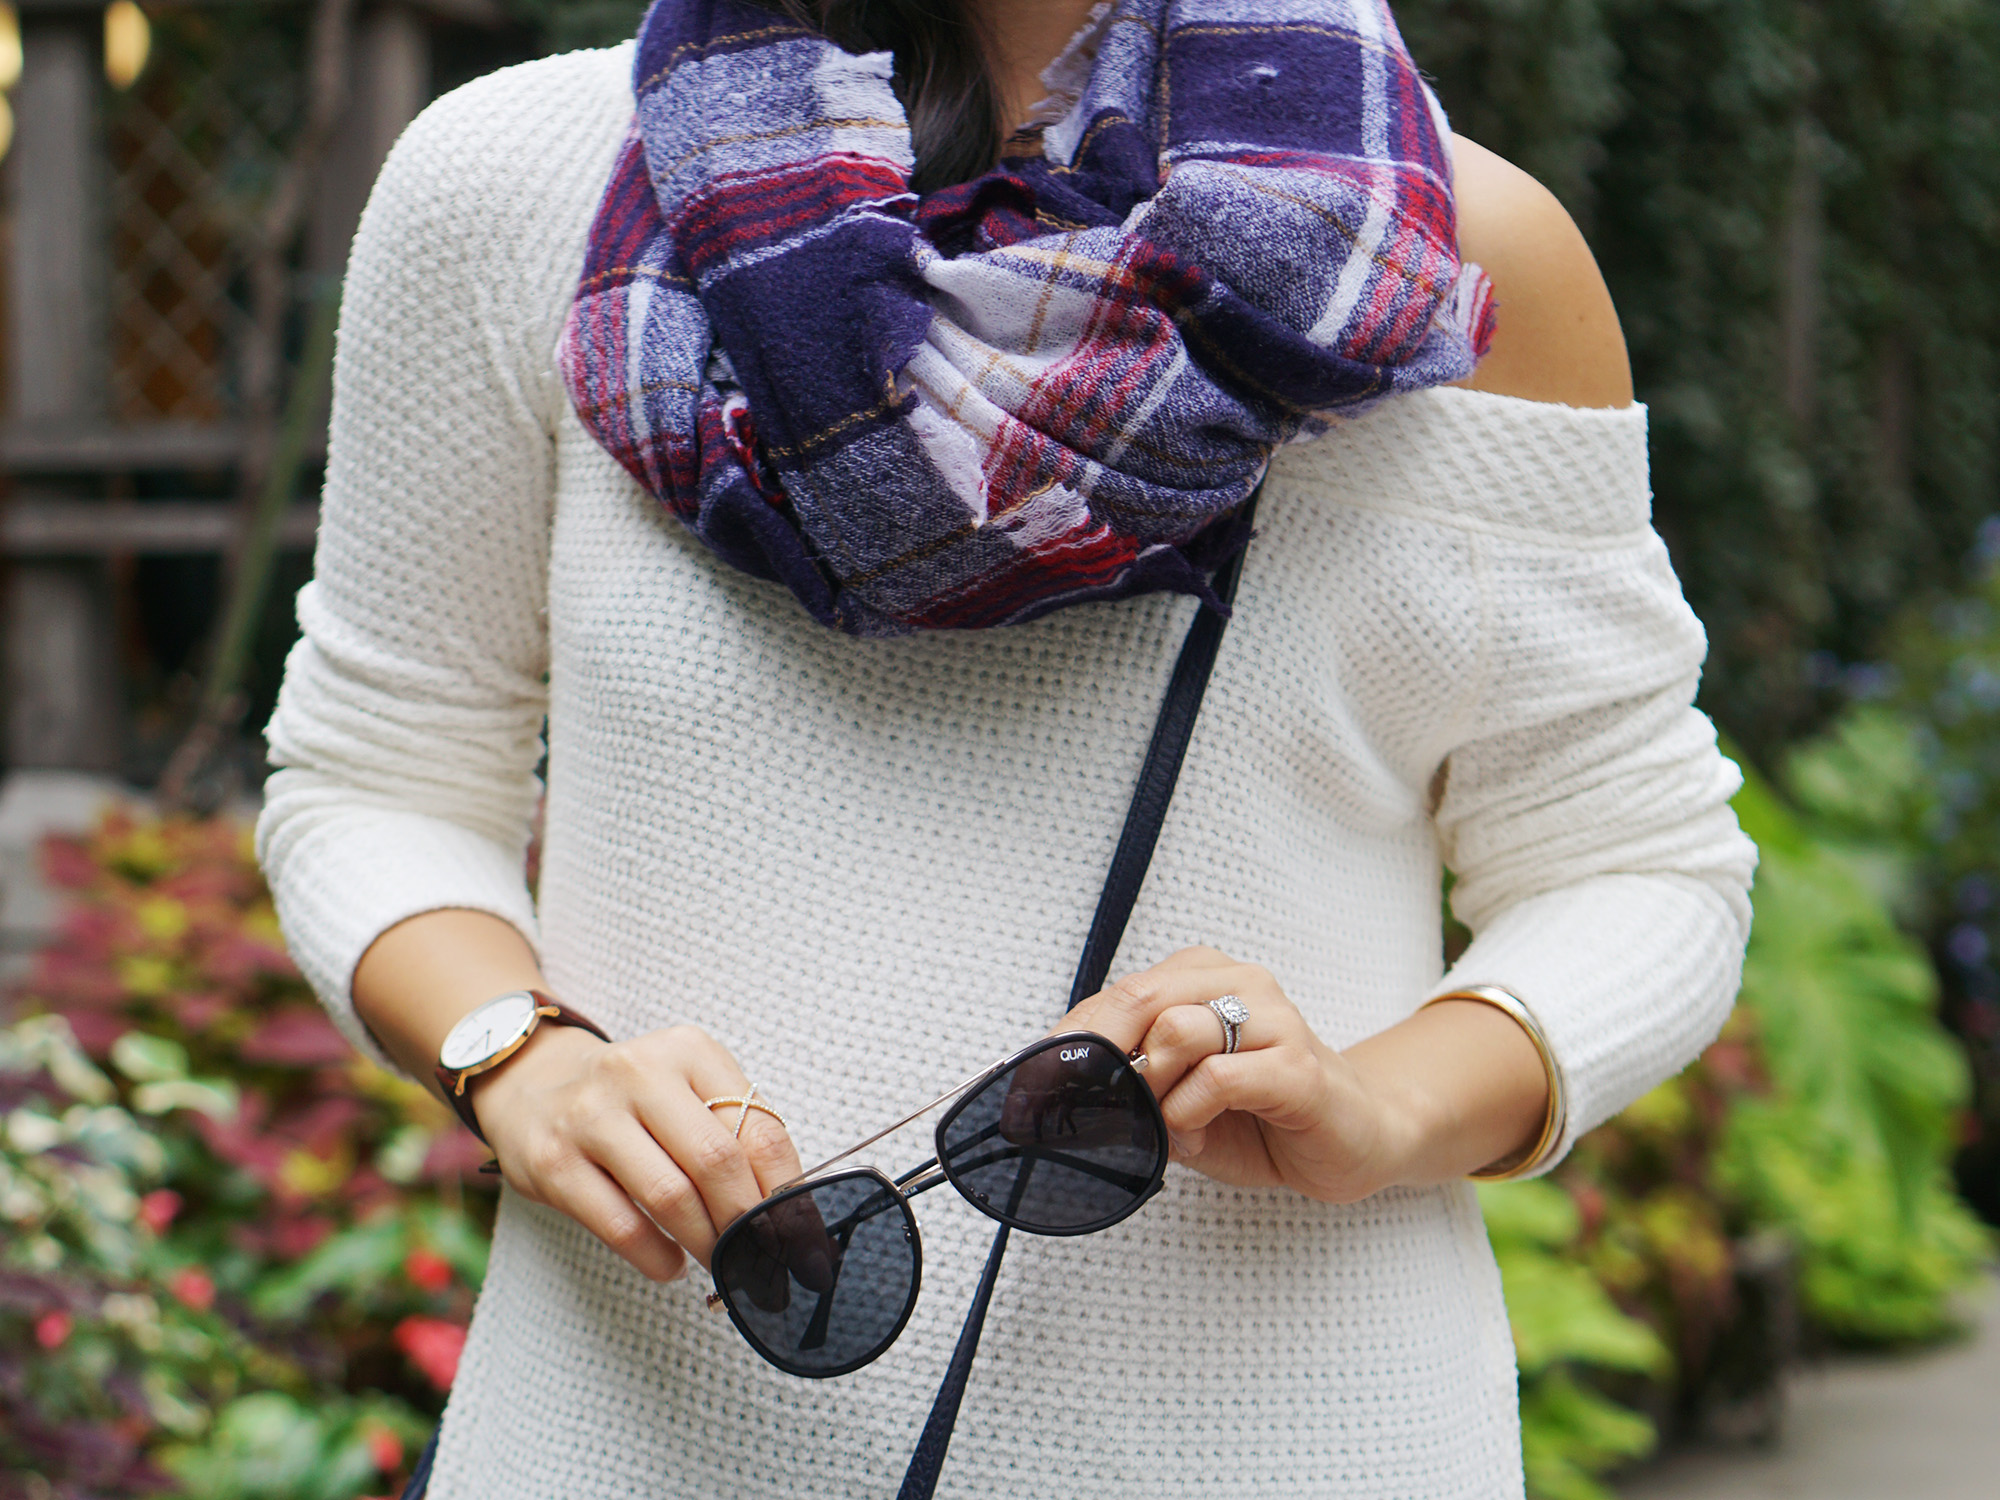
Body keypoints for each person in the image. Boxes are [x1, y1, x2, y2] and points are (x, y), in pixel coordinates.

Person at [257, 0, 1756, 1494]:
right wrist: (518, 1056)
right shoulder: (522, 188)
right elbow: (378, 772)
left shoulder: (1438, 255)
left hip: (1287, 1438)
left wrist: (1384, 1105)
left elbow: (1639, 865)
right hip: (623, 1437)